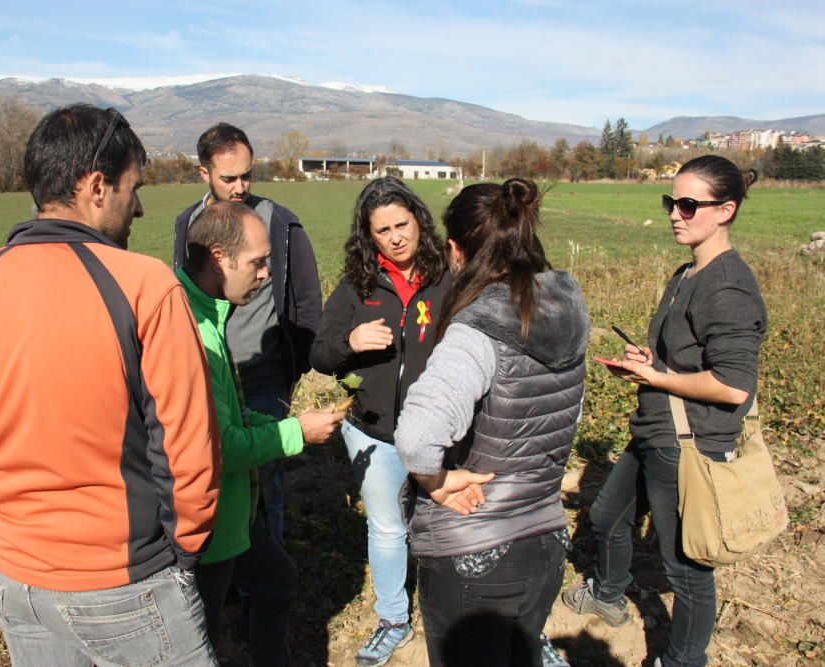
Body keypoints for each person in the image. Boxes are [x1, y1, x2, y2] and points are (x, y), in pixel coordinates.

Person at [0, 104, 221, 666]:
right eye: (132, 188)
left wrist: (8, 522)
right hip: (130, 579)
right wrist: (179, 555)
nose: (138, 206)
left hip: (14, 581)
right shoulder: (144, 284)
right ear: (96, 185)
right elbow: (188, 450)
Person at [563, 156, 766, 667]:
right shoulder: (687, 273)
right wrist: (648, 362)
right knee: (608, 515)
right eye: (670, 202)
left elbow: (734, 385)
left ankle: (681, 660)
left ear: (725, 210)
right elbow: (687, 357)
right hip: (656, 432)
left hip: (690, 444)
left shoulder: (728, 287)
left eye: (689, 204)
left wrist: (658, 378)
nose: (676, 213)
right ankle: (609, 596)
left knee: (686, 570)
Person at [394, 179, 590, 667]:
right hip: (544, 543)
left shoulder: (476, 331)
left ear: (456, 250)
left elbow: (417, 438)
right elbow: (565, 419)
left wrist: (436, 481)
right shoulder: (568, 312)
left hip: (473, 552)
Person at [178, 200, 343, 665]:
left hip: (233, 515)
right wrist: (295, 433)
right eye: (257, 262)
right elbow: (217, 448)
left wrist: (275, 424)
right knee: (202, 636)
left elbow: (224, 417)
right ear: (219, 259)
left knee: (276, 579)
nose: (267, 274)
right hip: (207, 528)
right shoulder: (194, 333)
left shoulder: (210, 314)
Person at [310, 176, 450, 666]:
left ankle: (452, 617)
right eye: (382, 230)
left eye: (402, 224)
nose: (395, 237)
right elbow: (319, 354)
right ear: (368, 237)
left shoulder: (448, 277)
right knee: (388, 529)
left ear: (418, 221)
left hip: (439, 433)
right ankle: (393, 619)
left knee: (442, 525)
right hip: (374, 432)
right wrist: (350, 343)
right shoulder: (358, 286)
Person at [174, 122, 322, 543]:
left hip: (264, 375)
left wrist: (296, 366)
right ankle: (232, 558)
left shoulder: (280, 223)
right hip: (208, 369)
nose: (240, 186)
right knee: (218, 470)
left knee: (263, 474)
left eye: (247, 175)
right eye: (228, 177)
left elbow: (307, 303)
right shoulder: (188, 223)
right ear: (203, 174)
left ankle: (265, 556)